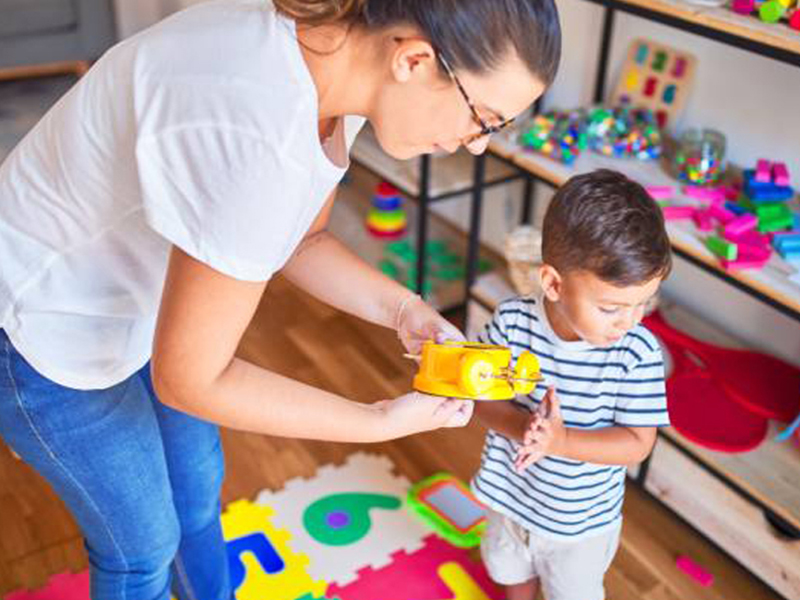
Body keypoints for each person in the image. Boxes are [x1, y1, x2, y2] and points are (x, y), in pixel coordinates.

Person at [0, 0, 562, 598]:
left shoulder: (334, 61)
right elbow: (192, 379)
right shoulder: (256, 127)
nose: (476, 145)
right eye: (485, 118)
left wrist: (404, 310)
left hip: (136, 302)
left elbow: (304, 240)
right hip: (39, 324)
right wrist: (376, 422)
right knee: (142, 548)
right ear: (415, 60)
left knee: (196, 489)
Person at [472, 169, 672, 600]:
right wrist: (524, 428)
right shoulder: (512, 321)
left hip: (577, 525)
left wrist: (560, 442)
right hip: (511, 498)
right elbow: (480, 397)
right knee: (511, 575)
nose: (630, 321)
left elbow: (637, 443)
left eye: (644, 303)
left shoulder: (636, 353)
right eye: (611, 307)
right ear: (553, 283)